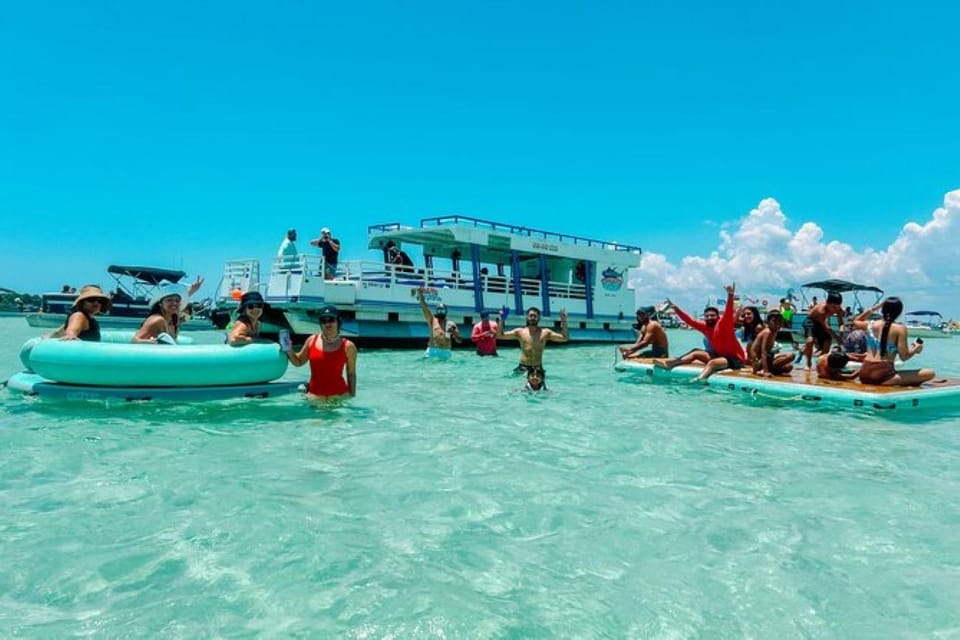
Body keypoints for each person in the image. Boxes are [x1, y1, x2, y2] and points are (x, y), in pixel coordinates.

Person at [655, 283, 747, 381]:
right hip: (720, 357)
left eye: (712, 316)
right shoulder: (704, 326)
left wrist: (730, 295)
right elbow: (690, 321)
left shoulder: (723, 324)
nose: (709, 318)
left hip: (736, 360)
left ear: (718, 317)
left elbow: (728, 311)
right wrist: (676, 309)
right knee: (695, 352)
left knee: (713, 363)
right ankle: (670, 364)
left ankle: (699, 380)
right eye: (707, 316)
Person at [850, 297, 936, 386]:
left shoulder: (871, 325)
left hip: (864, 373)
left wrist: (876, 307)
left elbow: (856, 321)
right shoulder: (900, 328)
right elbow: (904, 357)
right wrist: (916, 348)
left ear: (882, 309)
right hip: (883, 375)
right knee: (930, 373)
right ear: (899, 312)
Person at [285, 304, 357, 398]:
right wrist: (288, 349)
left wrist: (352, 398)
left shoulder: (348, 346)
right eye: (324, 321)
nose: (327, 324)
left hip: (339, 399)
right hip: (314, 397)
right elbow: (298, 362)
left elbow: (351, 374)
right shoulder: (311, 340)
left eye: (331, 320)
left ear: (338, 322)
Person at [496, 305, 568, 372]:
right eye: (531, 316)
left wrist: (564, 321)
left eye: (535, 316)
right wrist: (502, 319)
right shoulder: (519, 332)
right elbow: (500, 336)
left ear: (539, 318)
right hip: (523, 367)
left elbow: (564, 338)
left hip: (538, 367)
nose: (533, 318)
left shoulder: (545, 333)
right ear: (527, 317)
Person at [132, 277, 204, 344]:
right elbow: (135, 340)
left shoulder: (174, 319)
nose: (174, 303)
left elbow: (187, 317)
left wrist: (191, 291)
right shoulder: (157, 320)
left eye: (177, 301)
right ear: (160, 303)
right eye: (169, 300)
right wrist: (153, 343)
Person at [801, 292, 845, 370]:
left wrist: (841, 332)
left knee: (828, 341)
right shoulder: (821, 310)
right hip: (811, 321)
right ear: (827, 304)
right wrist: (837, 338)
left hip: (821, 323)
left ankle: (821, 362)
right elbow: (826, 327)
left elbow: (841, 323)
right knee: (810, 341)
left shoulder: (840, 310)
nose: (834, 309)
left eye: (836, 307)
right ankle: (808, 363)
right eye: (832, 306)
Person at [417, 288, 461, 358]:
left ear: (446, 312)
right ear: (436, 311)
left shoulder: (451, 324)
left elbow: (459, 341)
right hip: (432, 351)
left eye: (442, 311)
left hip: (445, 352)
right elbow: (424, 308)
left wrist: (454, 334)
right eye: (439, 311)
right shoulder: (432, 320)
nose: (440, 313)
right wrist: (420, 295)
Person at [750, 310, 795, 377]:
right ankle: (766, 370)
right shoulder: (768, 332)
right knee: (790, 356)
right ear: (768, 322)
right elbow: (764, 352)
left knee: (789, 366)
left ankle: (773, 370)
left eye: (780, 321)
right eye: (774, 321)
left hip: (768, 359)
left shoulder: (774, 331)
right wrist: (766, 372)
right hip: (759, 363)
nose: (777, 323)